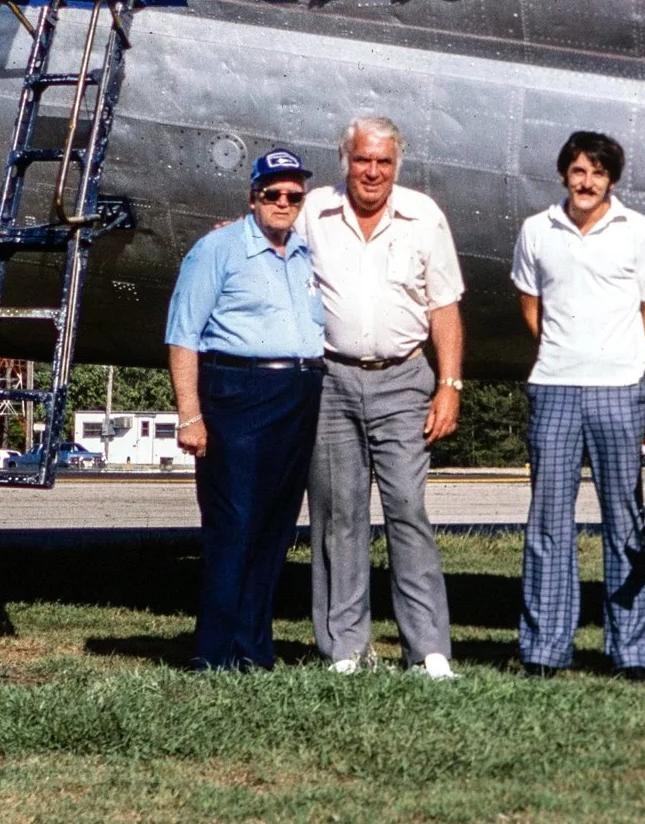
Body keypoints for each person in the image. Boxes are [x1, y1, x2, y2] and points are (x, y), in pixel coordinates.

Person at [303, 115, 466, 679]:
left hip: (404, 378)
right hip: (330, 380)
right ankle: (345, 649)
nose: (372, 172)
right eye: (362, 160)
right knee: (337, 516)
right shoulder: (313, 212)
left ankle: (428, 651)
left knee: (407, 510)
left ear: (397, 165)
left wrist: (449, 386)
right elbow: (270, 245)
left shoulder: (424, 217)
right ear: (344, 160)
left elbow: (444, 306)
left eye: (384, 162)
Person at [509, 129, 645, 678]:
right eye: (578, 171)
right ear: (564, 175)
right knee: (548, 522)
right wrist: (564, 353)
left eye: (598, 173)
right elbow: (531, 305)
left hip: (620, 389)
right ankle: (544, 651)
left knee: (623, 520)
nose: (587, 182)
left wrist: (619, 357)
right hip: (554, 386)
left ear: (612, 181)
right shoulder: (537, 230)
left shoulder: (639, 231)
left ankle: (630, 654)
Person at [165, 148, 328, 672]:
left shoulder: (304, 253)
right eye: (272, 194)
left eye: (293, 195)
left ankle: (254, 650)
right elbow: (183, 334)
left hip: (297, 394)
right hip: (238, 391)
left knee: (275, 528)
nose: (283, 202)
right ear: (253, 197)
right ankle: (214, 653)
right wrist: (190, 415)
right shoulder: (217, 248)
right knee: (232, 523)